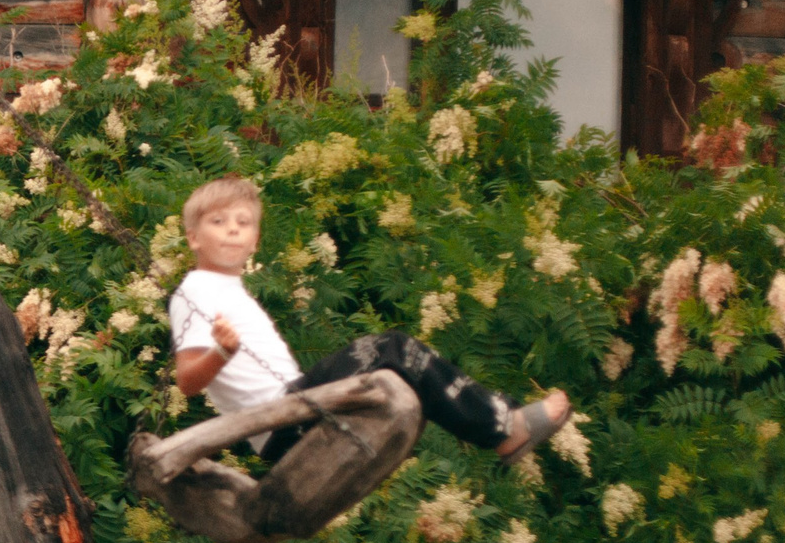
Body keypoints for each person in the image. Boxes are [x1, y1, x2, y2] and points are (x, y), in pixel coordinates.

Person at [169, 175, 570, 458]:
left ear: (255, 241)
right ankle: (503, 427)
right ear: (193, 237)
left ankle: (500, 420)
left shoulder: (230, 290)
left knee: (403, 370)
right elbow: (187, 382)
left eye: (243, 223)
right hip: (281, 420)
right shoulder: (195, 290)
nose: (232, 230)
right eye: (218, 221)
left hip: (291, 413)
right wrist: (221, 354)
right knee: (393, 348)